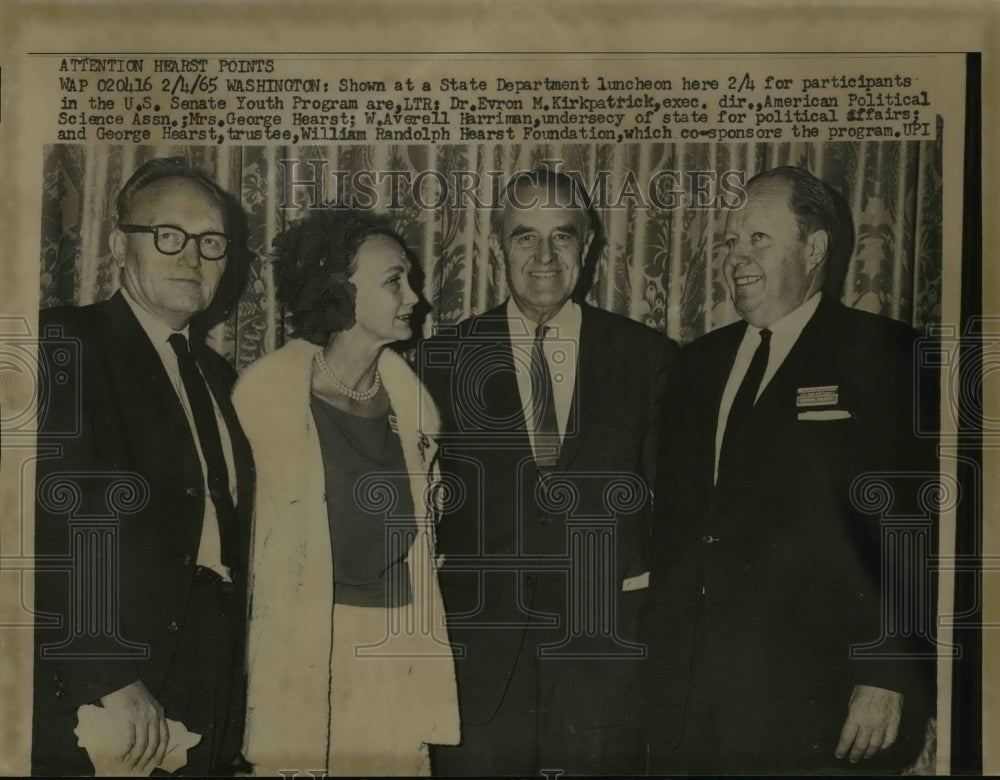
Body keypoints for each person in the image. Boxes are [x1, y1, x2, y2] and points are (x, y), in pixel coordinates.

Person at [642, 165, 938, 773]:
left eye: (759, 238)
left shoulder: (885, 354)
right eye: (730, 241)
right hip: (692, 699)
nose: (737, 257)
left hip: (816, 699)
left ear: (816, 247)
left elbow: (912, 527)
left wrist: (887, 673)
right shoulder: (695, 366)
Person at [422, 168, 677, 775]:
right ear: (496, 248)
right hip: (478, 668)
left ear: (586, 250)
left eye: (561, 236)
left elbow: (671, 517)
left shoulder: (648, 360)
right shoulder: (442, 360)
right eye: (523, 236)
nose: (543, 255)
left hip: (602, 663)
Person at [32, 157, 255, 775]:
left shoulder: (217, 376)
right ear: (117, 246)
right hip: (114, 685)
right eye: (168, 236)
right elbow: (48, 527)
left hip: (207, 670)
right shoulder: (65, 344)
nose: (192, 258)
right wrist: (107, 674)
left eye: (211, 242)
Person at [231, 210, 459, 776]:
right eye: (394, 281)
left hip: (393, 651)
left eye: (409, 279)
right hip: (306, 648)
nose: (414, 297)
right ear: (337, 289)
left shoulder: (414, 404)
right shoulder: (266, 397)